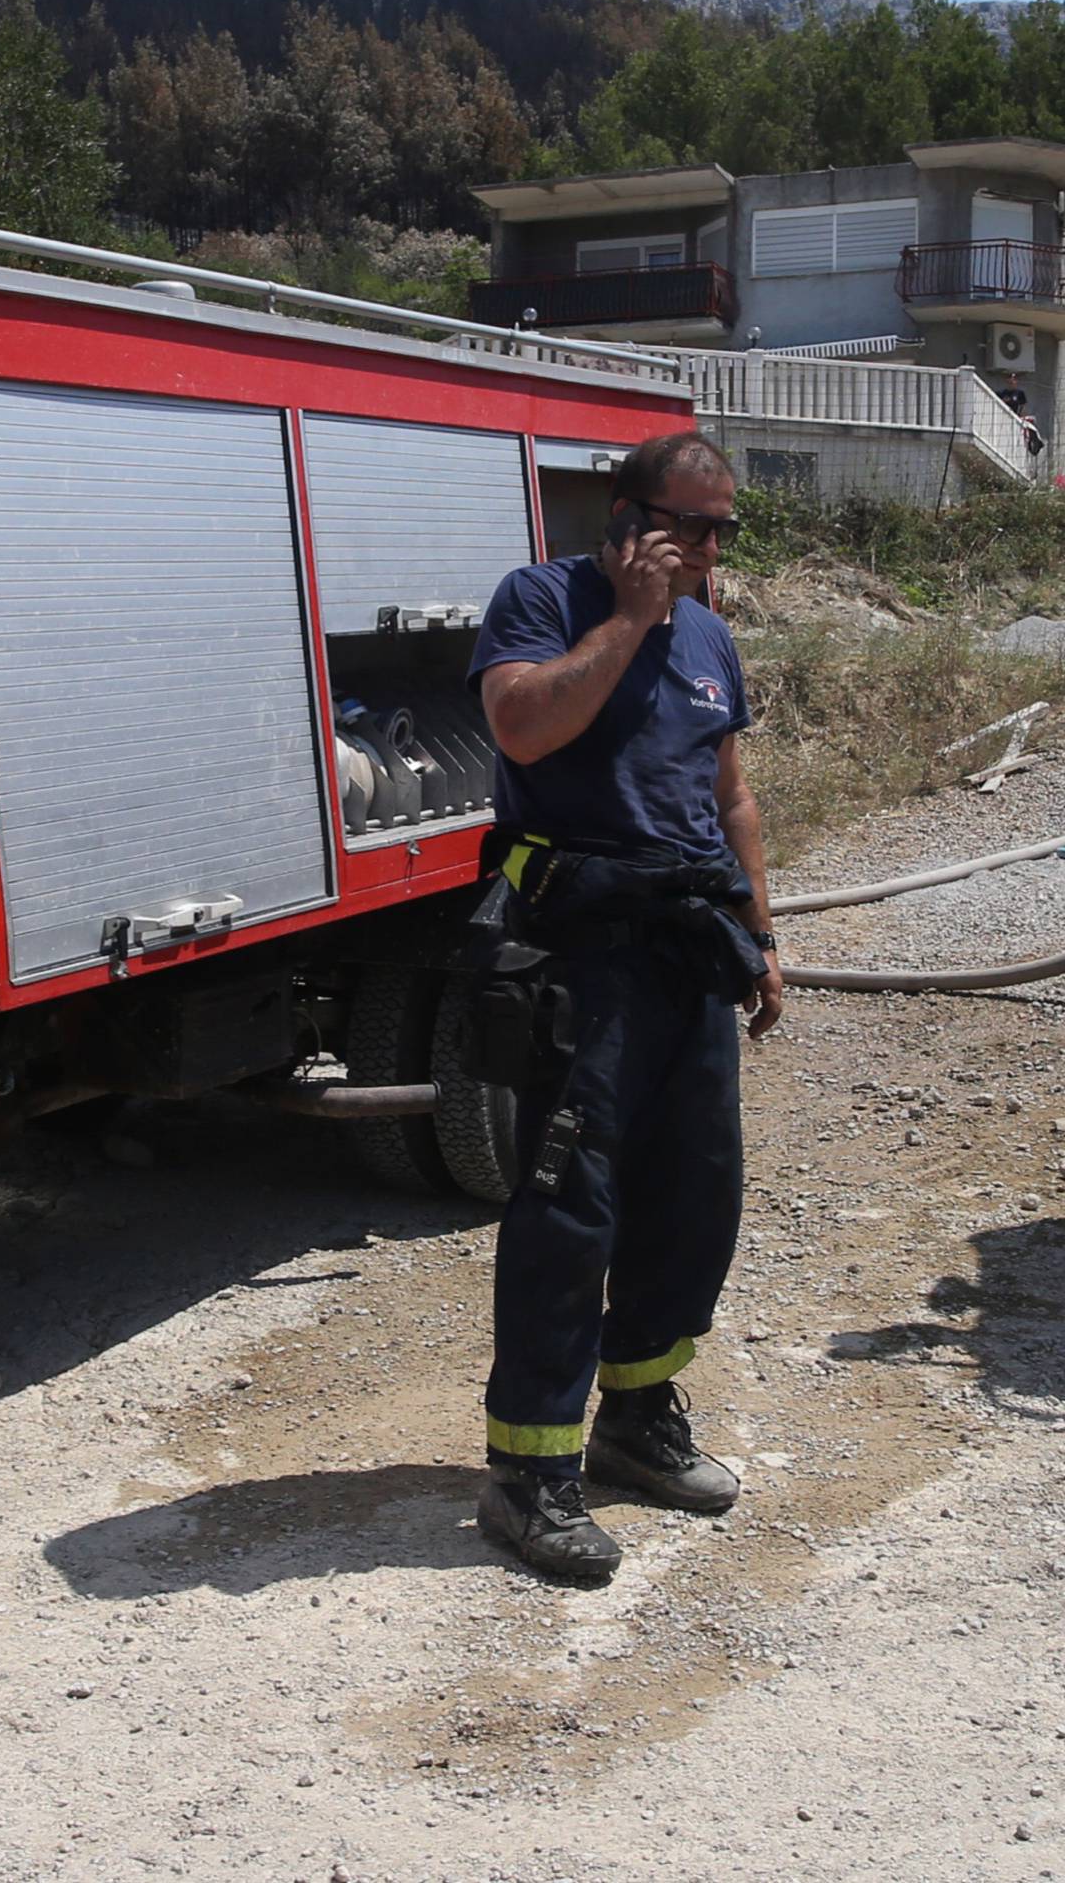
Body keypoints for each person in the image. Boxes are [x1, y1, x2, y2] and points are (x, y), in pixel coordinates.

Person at [463, 430, 782, 1584]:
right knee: (569, 1207)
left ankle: (638, 1420)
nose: (703, 549)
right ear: (624, 516)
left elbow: (729, 794)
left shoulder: (712, 635)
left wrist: (762, 933)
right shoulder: (545, 599)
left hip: (687, 949)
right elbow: (523, 725)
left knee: (692, 1193)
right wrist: (630, 620)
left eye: (718, 530)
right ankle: (529, 1475)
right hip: (578, 953)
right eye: (684, 525)